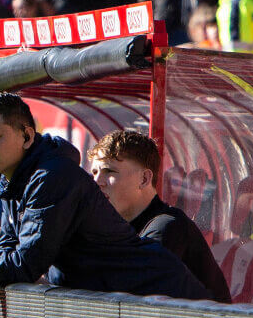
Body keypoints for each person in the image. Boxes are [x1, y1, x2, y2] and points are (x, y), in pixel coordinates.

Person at [0, 93, 210, 299]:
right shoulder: (11, 178)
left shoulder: (51, 177)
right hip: (128, 303)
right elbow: (7, 252)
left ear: (27, 136)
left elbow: (22, 266)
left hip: (163, 298)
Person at [88, 129, 231, 302]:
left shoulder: (168, 226)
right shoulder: (118, 229)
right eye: (95, 172)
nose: (97, 182)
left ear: (144, 179)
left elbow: (130, 286)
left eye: (109, 171)